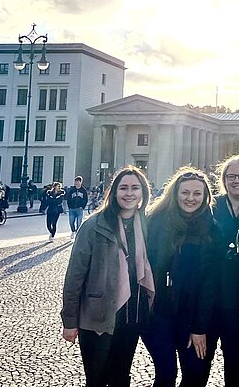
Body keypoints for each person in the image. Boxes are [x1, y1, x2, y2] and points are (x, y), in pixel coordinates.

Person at [61, 165, 155, 387]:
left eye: (135, 188)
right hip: (98, 317)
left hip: (132, 317)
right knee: (97, 379)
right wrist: (69, 320)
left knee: (121, 377)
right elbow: (75, 276)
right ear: (114, 193)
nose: (129, 193)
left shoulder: (146, 225)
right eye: (123, 188)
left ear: (143, 193)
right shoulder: (93, 226)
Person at [143, 167, 218, 386]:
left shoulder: (212, 229)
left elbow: (209, 284)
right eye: (185, 193)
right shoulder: (155, 223)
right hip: (159, 312)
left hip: (192, 313)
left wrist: (199, 327)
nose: (190, 198)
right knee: (166, 373)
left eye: (197, 193)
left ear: (205, 197)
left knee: (194, 374)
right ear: (175, 194)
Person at [207, 156, 239, 386]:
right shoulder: (211, 206)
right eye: (231, 176)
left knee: (237, 357)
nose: (237, 181)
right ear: (224, 180)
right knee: (200, 359)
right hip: (211, 293)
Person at [66, 176, 89, 240]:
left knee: (79, 223)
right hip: (72, 209)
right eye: (76, 182)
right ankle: (73, 231)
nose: (76, 183)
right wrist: (69, 206)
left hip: (79, 209)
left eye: (78, 182)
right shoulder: (72, 190)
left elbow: (86, 199)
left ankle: (77, 234)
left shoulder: (83, 191)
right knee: (71, 221)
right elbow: (68, 198)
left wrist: (83, 207)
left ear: (81, 182)